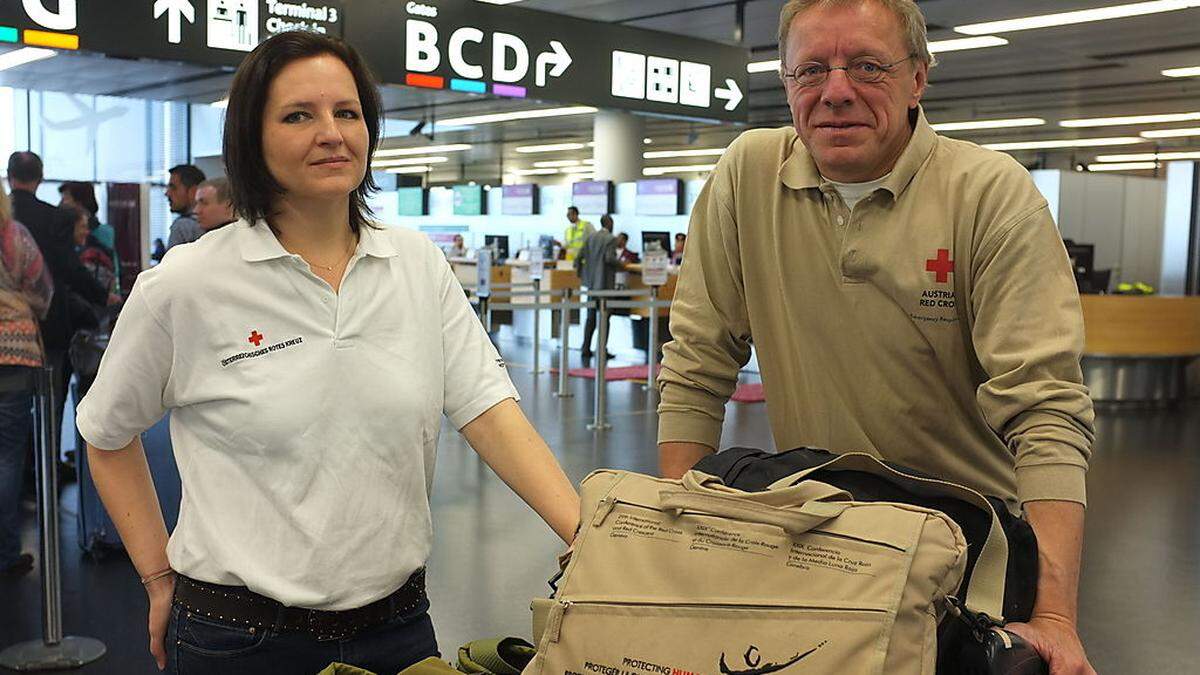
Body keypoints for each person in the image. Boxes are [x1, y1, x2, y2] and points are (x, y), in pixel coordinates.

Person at [76, 31, 579, 675]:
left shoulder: (416, 263)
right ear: (252, 140)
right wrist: (154, 576)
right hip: (236, 638)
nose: (332, 133)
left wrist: (587, 536)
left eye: (347, 113)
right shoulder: (188, 284)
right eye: (297, 115)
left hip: (398, 629)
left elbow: (488, 409)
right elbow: (106, 433)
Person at [656, 1, 1096, 673]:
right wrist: (672, 540)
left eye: (867, 65)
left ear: (918, 77)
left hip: (965, 550)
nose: (835, 91)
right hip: (814, 533)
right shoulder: (746, 175)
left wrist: (1054, 616)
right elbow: (697, 362)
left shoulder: (991, 195)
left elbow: (1045, 410)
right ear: (786, 81)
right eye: (811, 70)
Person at [6, 152, 111, 455]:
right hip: (50, 326)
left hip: (4, 335)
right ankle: (47, 470)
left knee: (10, 416)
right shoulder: (53, 218)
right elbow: (68, 268)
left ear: (10, 176)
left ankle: (22, 479)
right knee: (50, 405)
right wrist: (102, 296)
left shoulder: (6, 220)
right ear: (39, 178)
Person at [0, 179, 53, 577]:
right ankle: (5, 553)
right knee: (8, 455)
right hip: (14, 348)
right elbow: (41, 287)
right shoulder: (14, 236)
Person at [575, 214, 618, 361]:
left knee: (590, 318)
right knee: (605, 319)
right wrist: (623, 266)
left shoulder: (591, 237)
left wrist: (583, 276)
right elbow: (610, 258)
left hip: (592, 285)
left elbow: (578, 258)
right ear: (610, 223)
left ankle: (585, 348)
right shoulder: (611, 239)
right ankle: (601, 350)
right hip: (605, 285)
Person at [164, 164, 206, 249]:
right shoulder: (215, 222)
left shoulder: (182, 226)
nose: (167, 193)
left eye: (173, 188)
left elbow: (173, 262)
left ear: (193, 191)